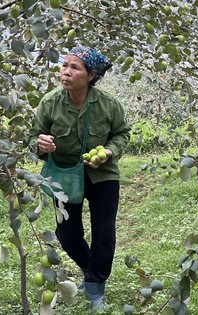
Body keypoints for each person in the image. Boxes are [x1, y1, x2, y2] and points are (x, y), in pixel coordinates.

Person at [28, 46, 131, 311]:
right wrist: (41, 145)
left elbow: (122, 133)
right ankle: (89, 267)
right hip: (63, 173)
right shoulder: (50, 103)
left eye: (75, 68)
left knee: (104, 233)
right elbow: (33, 137)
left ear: (91, 75)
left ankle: (96, 286)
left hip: (102, 175)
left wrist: (109, 152)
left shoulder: (108, 104)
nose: (66, 72)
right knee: (67, 233)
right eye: (64, 66)